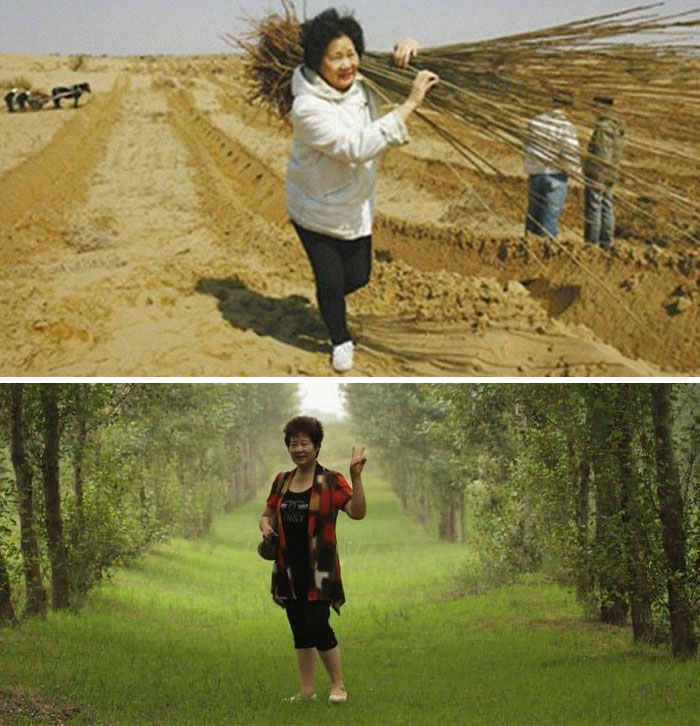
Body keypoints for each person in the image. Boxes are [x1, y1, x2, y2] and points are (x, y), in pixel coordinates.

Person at [286, 8, 438, 372]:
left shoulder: (365, 83)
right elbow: (355, 147)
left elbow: (423, 76)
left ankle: (328, 299)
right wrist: (410, 104)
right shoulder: (307, 107)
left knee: (359, 277)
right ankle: (340, 339)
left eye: (351, 54)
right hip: (314, 207)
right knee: (332, 279)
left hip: (355, 206)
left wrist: (412, 48)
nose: (346, 64)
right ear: (317, 62)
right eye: (336, 57)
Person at [259, 415, 367, 704]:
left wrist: (356, 477)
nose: (299, 449)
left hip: (320, 569)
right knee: (299, 628)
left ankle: (338, 685)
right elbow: (267, 513)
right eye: (294, 444)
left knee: (318, 624)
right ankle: (307, 692)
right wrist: (266, 527)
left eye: (305, 443)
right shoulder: (282, 480)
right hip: (287, 567)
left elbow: (357, 512)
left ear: (317, 447)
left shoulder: (331, 481)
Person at [523, 91, 582, 238]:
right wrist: (575, 171)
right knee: (549, 217)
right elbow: (570, 152)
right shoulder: (565, 127)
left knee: (533, 214)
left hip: (537, 173)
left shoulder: (536, 122)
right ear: (567, 108)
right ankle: (545, 251)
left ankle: (528, 246)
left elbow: (527, 146)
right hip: (556, 176)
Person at [583, 95, 625, 248]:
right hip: (611, 173)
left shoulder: (603, 128)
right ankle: (606, 241)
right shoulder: (617, 127)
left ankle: (591, 243)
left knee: (594, 207)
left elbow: (602, 154)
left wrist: (597, 176)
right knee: (607, 205)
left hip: (599, 174)